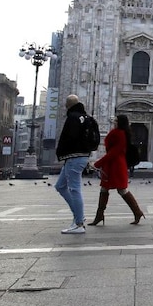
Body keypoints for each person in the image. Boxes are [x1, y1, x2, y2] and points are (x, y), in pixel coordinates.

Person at [90, 115, 145, 226]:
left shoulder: (119, 134)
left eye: (116, 120)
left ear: (120, 122)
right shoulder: (118, 132)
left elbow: (114, 152)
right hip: (111, 165)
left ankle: (137, 212)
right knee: (104, 189)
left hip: (116, 166)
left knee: (122, 190)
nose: (114, 122)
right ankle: (99, 215)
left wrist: (98, 163)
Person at [55, 94, 93, 234]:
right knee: (60, 186)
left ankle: (79, 224)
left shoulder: (73, 118)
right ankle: (79, 215)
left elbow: (68, 138)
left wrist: (60, 152)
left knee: (74, 189)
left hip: (74, 157)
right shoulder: (86, 117)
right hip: (80, 156)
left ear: (68, 105)